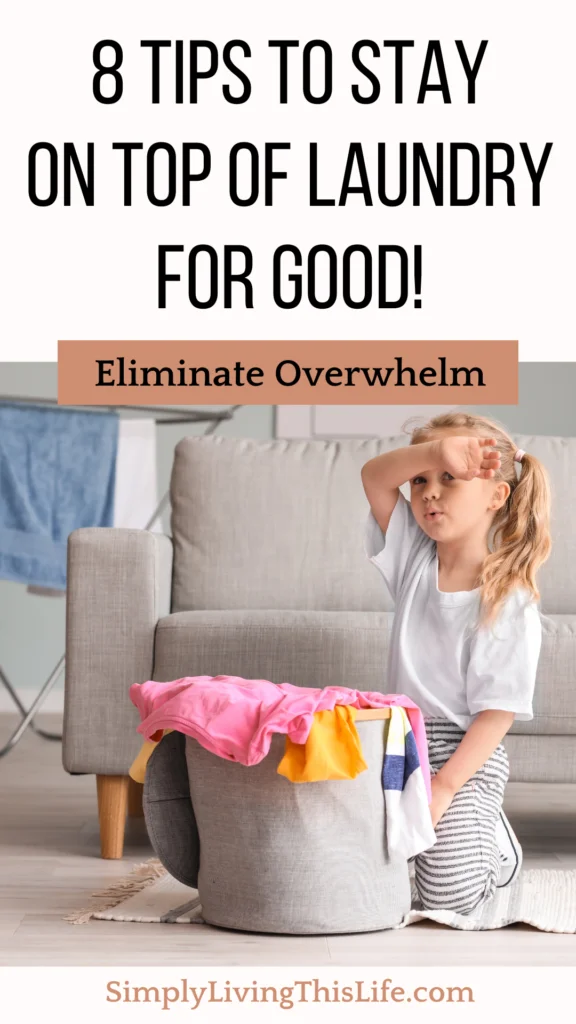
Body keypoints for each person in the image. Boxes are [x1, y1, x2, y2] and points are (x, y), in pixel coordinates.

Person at [361, 411, 551, 915]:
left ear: (496, 496)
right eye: (420, 481)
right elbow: (374, 477)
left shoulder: (507, 600)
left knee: (452, 898)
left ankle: (498, 847)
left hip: (464, 758)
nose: (429, 493)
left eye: (449, 478)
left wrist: (444, 790)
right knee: (356, 877)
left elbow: (496, 714)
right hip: (398, 743)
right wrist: (433, 453)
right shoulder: (412, 556)